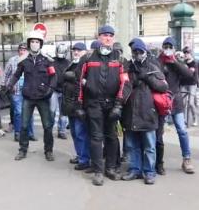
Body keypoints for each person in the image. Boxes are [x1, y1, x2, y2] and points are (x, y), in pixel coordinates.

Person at [76, 25, 130, 186]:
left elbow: (125, 83)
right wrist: (79, 105)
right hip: (93, 104)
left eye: (110, 36)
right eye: (104, 35)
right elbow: (78, 83)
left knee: (112, 137)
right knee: (96, 137)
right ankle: (98, 171)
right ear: (99, 37)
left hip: (112, 104)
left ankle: (111, 168)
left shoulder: (120, 59)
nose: (107, 38)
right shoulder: (88, 59)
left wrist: (118, 105)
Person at [121, 40, 168, 185]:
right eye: (135, 51)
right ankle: (135, 169)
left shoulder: (152, 66)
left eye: (140, 51)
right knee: (131, 145)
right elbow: (123, 86)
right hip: (130, 112)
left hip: (148, 112)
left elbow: (163, 86)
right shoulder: (128, 67)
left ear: (145, 52)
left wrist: (147, 77)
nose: (137, 54)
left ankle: (149, 172)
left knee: (149, 146)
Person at [8, 31, 57, 161]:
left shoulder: (47, 60)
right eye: (32, 42)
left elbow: (53, 77)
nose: (34, 44)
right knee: (24, 125)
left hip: (43, 98)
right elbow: (16, 75)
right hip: (28, 97)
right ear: (29, 43)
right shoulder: (24, 60)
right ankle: (23, 150)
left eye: (37, 42)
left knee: (47, 126)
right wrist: (8, 85)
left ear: (40, 44)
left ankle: (48, 151)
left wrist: (50, 89)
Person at [156, 37, 195, 175]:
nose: (167, 49)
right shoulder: (158, 60)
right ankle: (158, 162)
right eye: (165, 46)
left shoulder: (176, 61)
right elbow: (155, 73)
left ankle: (187, 159)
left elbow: (190, 76)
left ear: (173, 48)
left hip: (175, 101)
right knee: (159, 132)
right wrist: (163, 59)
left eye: (170, 47)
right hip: (161, 101)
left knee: (182, 131)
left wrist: (174, 61)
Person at [62, 42, 90, 170]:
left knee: (81, 133)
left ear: (85, 51)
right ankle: (80, 156)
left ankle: (85, 159)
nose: (76, 52)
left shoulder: (86, 64)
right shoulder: (72, 63)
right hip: (70, 105)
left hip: (79, 105)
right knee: (74, 133)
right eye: (74, 50)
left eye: (79, 50)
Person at [3, 42, 35, 142]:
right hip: (16, 90)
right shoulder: (12, 60)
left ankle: (30, 133)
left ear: (27, 51)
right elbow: (6, 75)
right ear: (18, 51)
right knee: (18, 112)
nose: (22, 51)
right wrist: (7, 86)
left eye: (24, 50)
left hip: (29, 90)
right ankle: (17, 133)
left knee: (30, 112)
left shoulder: (31, 60)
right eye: (21, 50)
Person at [50, 43, 71, 139]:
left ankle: (62, 130)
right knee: (52, 110)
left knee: (64, 112)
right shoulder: (52, 61)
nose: (61, 53)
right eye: (59, 51)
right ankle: (49, 129)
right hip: (54, 89)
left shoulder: (68, 63)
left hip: (64, 90)